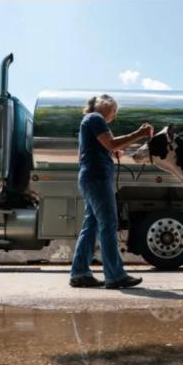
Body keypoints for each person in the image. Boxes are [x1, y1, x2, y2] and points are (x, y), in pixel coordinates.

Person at [70, 94, 153, 288]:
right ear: (101, 104)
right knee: (108, 223)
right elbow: (112, 143)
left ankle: (80, 272)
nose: (114, 114)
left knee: (91, 225)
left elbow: (107, 145)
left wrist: (111, 150)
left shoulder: (90, 121)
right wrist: (139, 133)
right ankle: (115, 275)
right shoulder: (95, 118)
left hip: (92, 177)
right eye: (114, 109)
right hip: (97, 177)